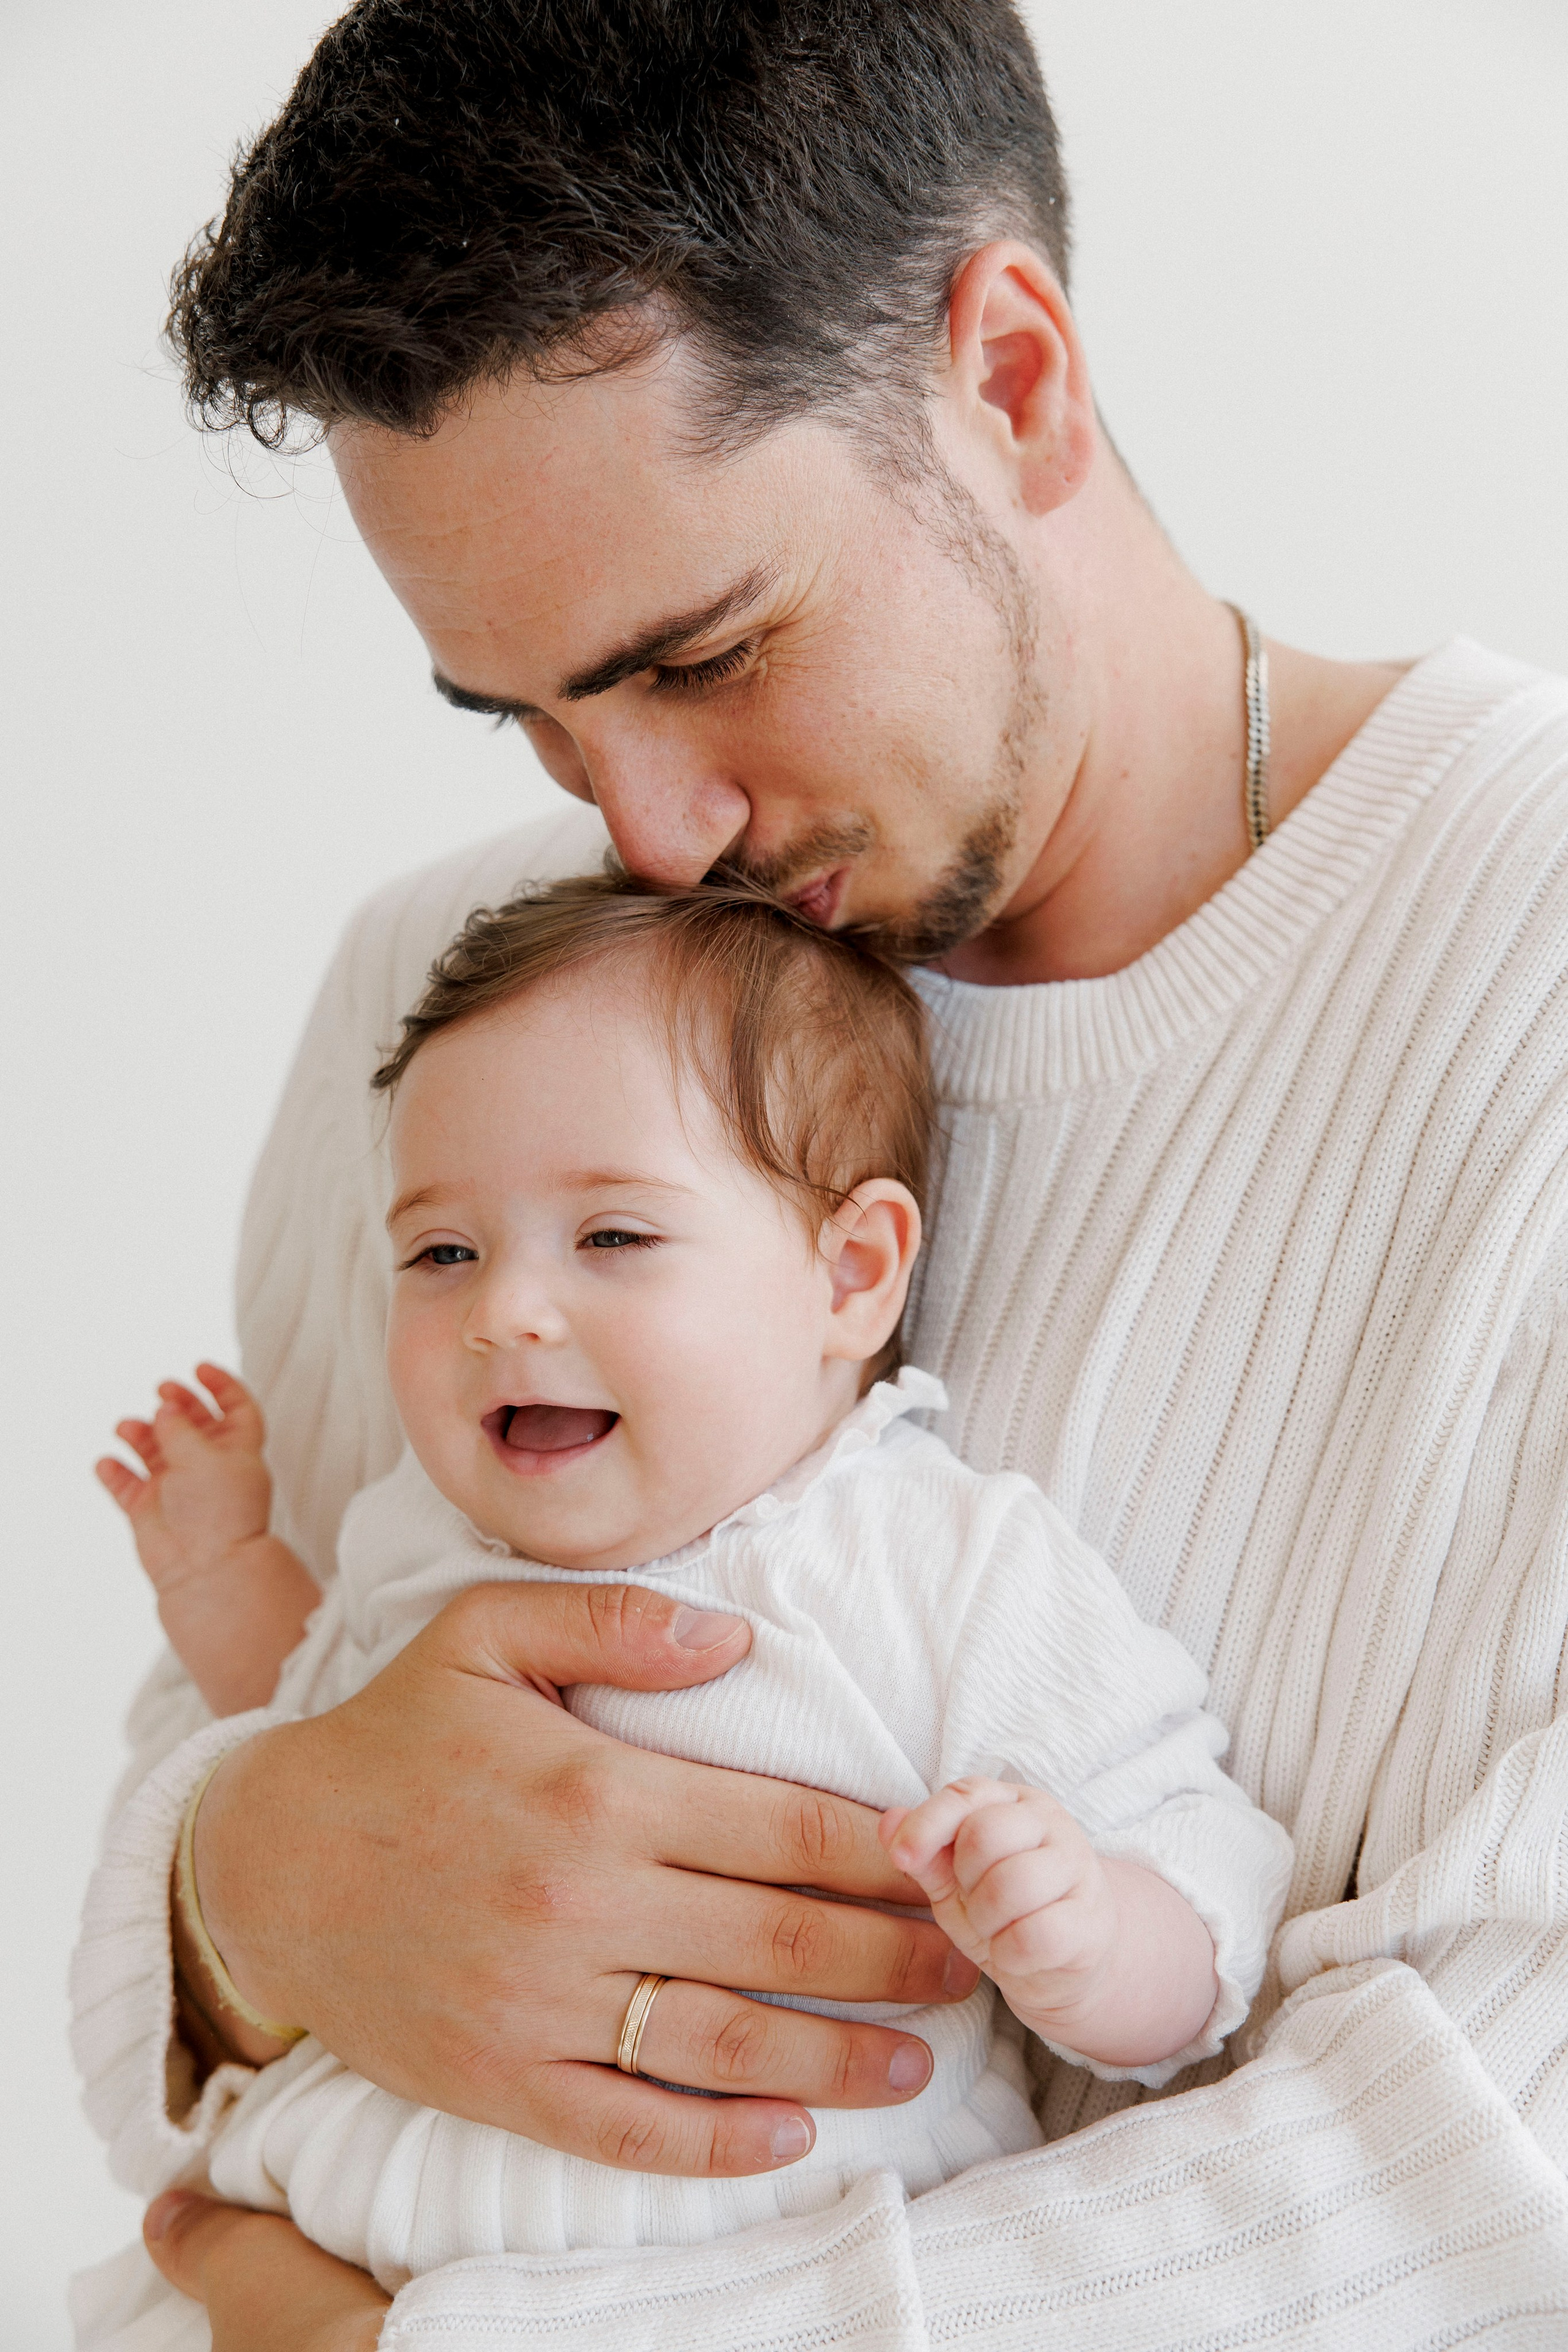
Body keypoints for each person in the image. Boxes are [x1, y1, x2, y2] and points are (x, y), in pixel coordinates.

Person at [73, 1, 1568, 2345]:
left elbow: (1510, 2151)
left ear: (1015, 372)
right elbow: (169, 1997)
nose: (647, 834)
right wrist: (233, 1897)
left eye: (706, 653)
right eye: (535, 715)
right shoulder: (460, 1003)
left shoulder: (1528, 973)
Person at [89, 875, 1290, 2325]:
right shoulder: (418, 1536)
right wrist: (222, 1570)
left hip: (773, 2265)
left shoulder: (931, 1560)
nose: (504, 1313)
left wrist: (1089, 1935)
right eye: (442, 1253)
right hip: (340, 2229)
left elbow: (1202, 1862)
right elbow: (305, 1740)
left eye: (612, 1239)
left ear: (848, 1274)